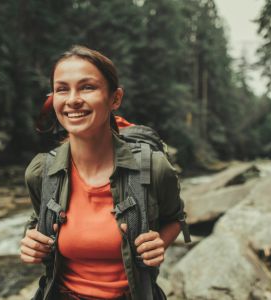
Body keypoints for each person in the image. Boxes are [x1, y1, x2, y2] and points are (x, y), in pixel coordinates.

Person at [20, 45, 187, 300]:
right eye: (62, 89)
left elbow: (175, 218)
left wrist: (159, 244)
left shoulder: (153, 168)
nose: (73, 99)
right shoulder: (42, 172)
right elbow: (37, 222)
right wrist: (31, 242)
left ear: (115, 98)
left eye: (87, 87)